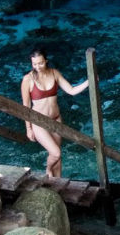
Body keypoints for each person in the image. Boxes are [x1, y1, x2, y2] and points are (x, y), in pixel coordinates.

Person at [20, 48, 89, 178]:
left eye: (40, 63)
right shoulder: (27, 79)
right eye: (34, 64)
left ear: (46, 61)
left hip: (56, 119)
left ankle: (57, 182)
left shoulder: (54, 73)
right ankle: (48, 169)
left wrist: (89, 81)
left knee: (58, 156)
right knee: (55, 153)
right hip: (39, 122)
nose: (38, 67)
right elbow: (26, 106)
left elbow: (72, 90)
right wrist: (28, 128)